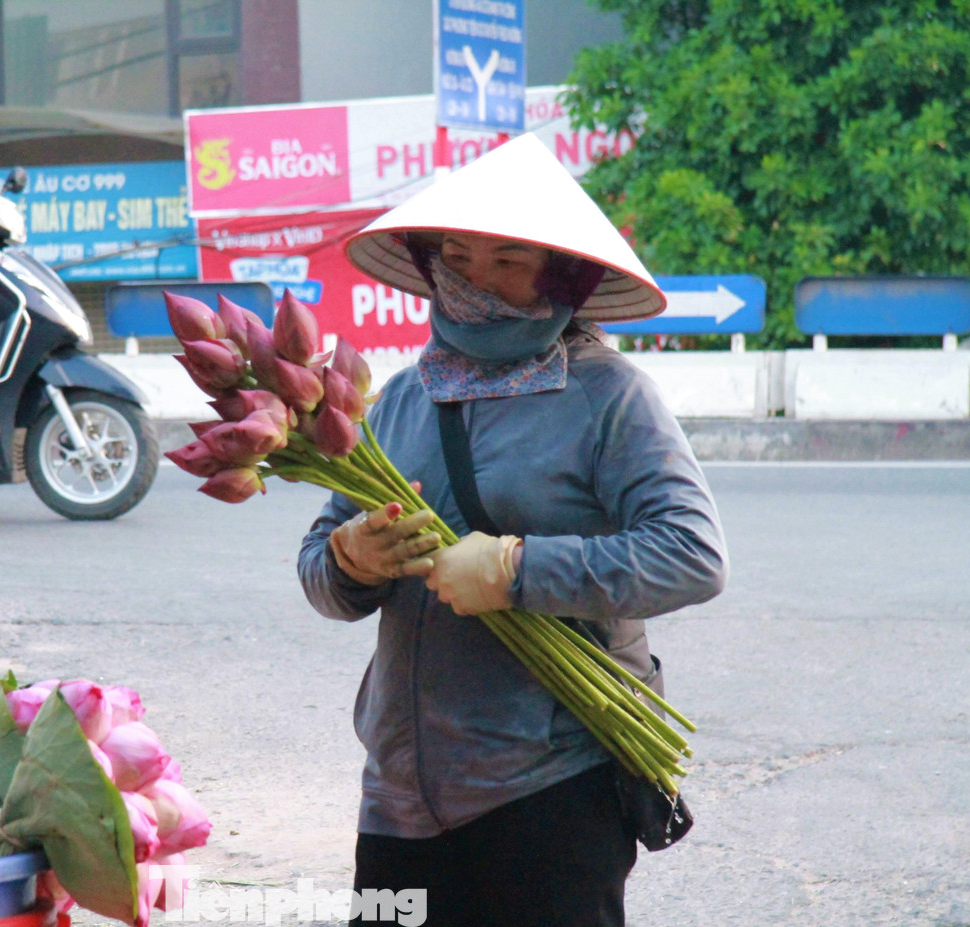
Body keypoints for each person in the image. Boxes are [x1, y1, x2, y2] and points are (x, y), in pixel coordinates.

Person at [298, 135, 730, 927]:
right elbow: (319, 571)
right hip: (398, 798)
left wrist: (516, 567)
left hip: (550, 789)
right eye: (456, 257)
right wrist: (350, 557)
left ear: (560, 275)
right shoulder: (397, 400)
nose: (473, 282)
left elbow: (693, 553)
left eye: (506, 262)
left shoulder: (607, 394)